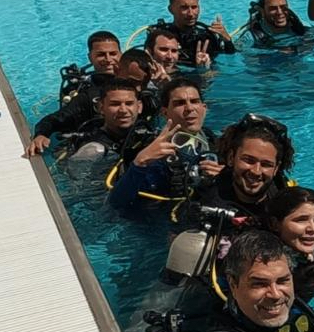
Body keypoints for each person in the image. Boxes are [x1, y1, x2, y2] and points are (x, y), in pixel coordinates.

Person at [190, 113, 314, 220]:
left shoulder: (284, 194)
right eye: (248, 160)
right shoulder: (205, 200)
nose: (256, 171)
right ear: (231, 158)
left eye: (266, 164)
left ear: (276, 168)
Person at [108, 78, 221, 212]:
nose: (189, 108)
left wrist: (223, 177)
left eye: (195, 101)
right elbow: (115, 204)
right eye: (179, 103)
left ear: (204, 108)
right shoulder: (156, 157)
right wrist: (140, 162)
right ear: (165, 112)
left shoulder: (212, 140)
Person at [26, 48, 156, 157]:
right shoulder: (90, 97)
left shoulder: (148, 97)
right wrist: (41, 134)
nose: (138, 89)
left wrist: (164, 85)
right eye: (133, 82)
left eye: (144, 84)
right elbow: (55, 119)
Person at [148, 0, 236, 68]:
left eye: (194, 7)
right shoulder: (161, 37)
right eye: (184, 8)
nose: (191, 14)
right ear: (171, 10)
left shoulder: (206, 36)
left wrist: (227, 41)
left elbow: (229, 58)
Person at [66, 78, 145, 161]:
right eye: (115, 104)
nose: (123, 110)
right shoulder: (93, 151)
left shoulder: (143, 133)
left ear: (139, 107)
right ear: (101, 108)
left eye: (129, 104)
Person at [57, 30, 122, 106]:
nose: (108, 59)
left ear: (121, 55)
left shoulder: (134, 79)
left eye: (113, 54)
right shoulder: (79, 88)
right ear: (90, 58)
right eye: (101, 55)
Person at [242, 0, 310, 49]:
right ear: (262, 11)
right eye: (273, 8)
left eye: (283, 7)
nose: (280, 12)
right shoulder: (252, 37)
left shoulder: (302, 27)